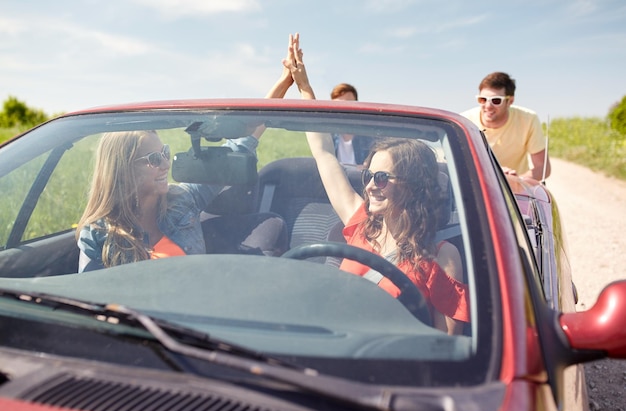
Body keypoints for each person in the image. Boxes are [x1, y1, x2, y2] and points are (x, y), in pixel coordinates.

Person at [283, 33, 469, 334]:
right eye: (369, 176)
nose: (369, 186)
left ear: (412, 185)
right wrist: (304, 87)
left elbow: (445, 343)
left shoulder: (441, 255)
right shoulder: (360, 223)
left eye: (381, 178)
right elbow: (324, 154)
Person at [75, 63, 296, 272]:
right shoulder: (98, 234)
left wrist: (283, 83)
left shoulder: (182, 200)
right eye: (154, 159)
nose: (166, 164)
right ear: (122, 171)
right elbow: (88, 298)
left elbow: (240, 145)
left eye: (165, 153)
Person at [461, 72, 551, 181]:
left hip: (515, 190)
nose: (488, 106)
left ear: (510, 101)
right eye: (483, 99)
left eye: (496, 100)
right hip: (476, 185)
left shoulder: (528, 119)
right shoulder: (464, 121)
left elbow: (542, 167)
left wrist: (515, 181)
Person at [328, 83, 374, 165]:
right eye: (337, 107)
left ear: (356, 107)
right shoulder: (328, 137)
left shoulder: (370, 139)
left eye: (347, 105)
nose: (342, 111)